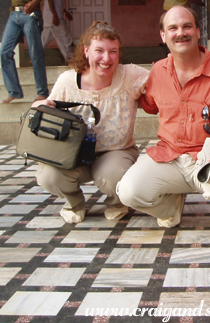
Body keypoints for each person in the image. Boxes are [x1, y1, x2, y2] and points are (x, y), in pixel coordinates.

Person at [117, 6, 210, 233]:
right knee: (128, 191)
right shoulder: (157, 71)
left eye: (187, 26)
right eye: (173, 28)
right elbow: (148, 104)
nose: (181, 33)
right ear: (163, 36)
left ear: (197, 31)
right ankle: (170, 206)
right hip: (170, 156)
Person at [31, 21, 149, 224]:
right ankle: (74, 202)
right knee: (48, 175)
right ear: (86, 51)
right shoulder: (67, 81)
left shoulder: (130, 75)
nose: (106, 58)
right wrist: (40, 106)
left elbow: (164, 84)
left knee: (113, 173)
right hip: (73, 155)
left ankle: (116, 202)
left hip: (116, 151)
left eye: (113, 51)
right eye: (99, 50)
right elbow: (46, 110)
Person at [0, 0, 49, 104]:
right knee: (4, 51)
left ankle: (42, 92)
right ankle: (14, 91)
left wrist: (34, 3)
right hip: (14, 14)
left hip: (30, 14)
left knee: (35, 53)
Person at [41, 0, 73, 64]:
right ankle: (70, 58)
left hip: (52, 17)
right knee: (65, 38)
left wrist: (65, 12)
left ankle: (34, 57)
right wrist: (55, 15)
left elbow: (56, 2)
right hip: (55, 17)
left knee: (44, 40)